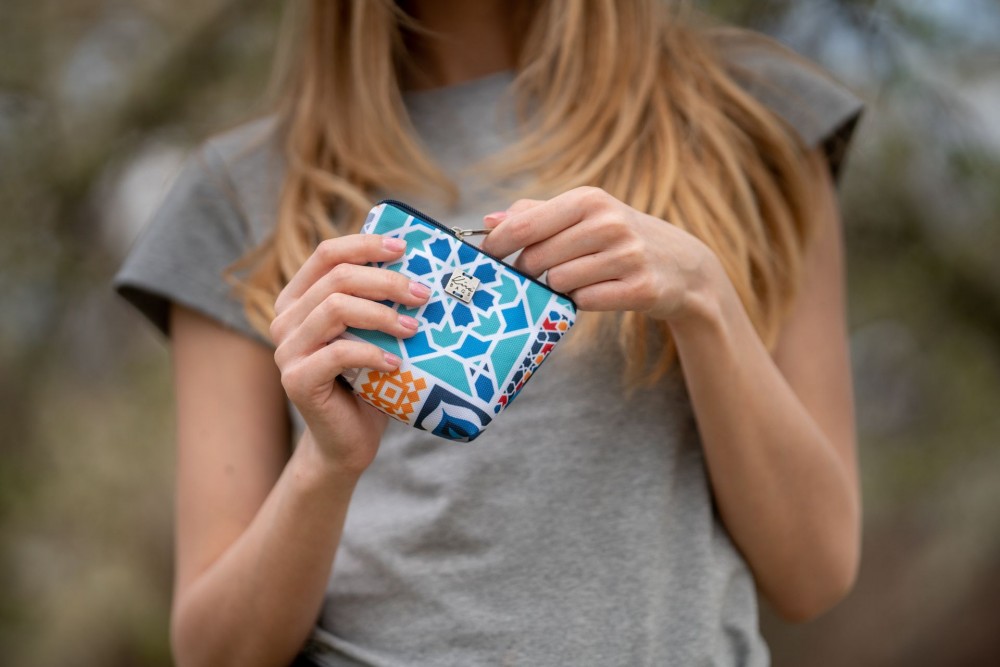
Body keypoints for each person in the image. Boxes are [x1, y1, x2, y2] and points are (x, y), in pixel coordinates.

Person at [114, 1, 864, 665]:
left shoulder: (758, 120)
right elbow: (213, 652)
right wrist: (326, 465)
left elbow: (815, 573)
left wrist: (705, 299)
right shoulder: (239, 191)